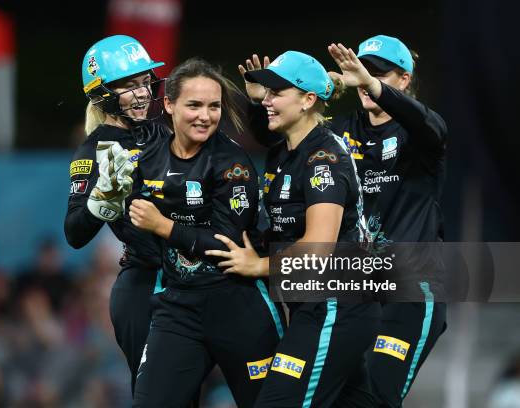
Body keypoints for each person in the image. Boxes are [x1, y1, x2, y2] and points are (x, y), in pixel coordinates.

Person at [206, 50, 380, 407]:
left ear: (307, 100)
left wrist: (258, 265)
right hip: (313, 304)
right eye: (266, 93)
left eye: (276, 93)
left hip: (337, 304)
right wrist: (264, 96)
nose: (266, 101)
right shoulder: (285, 150)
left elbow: (318, 248)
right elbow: (263, 122)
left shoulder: (323, 159)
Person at [127, 57, 285, 408]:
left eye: (214, 106)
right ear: (168, 104)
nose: (205, 116)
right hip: (178, 308)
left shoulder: (233, 163)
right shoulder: (148, 157)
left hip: (239, 306)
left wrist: (163, 226)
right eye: (194, 105)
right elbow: (134, 221)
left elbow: (224, 244)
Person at [327, 35, 447, 407]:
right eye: (361, 70)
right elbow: (285, 135)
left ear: (404, 80)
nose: (365, 80)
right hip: (355, 289)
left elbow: (427, 123)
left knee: (377, 395)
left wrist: (373, 87)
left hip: (411, 289)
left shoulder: (421, 132)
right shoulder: (341, 130)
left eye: (379, 73)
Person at [63, 34, 170, 394]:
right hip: (145, 287)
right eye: (129, 86)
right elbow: (74, 233)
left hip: (192, 281)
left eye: (144, 83)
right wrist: (102, 200)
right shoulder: (94, 149)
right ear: (103, 94)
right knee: (158, 396)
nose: (142, 93)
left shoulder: (161, 130)